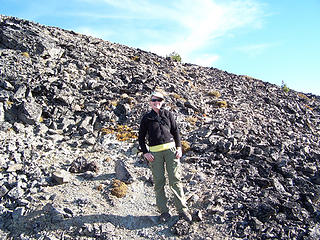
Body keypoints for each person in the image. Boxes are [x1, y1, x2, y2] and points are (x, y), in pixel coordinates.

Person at [138, 90, 192, 223]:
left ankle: (182, 210)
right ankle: (164, 211)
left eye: (159, 100)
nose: (157, 103)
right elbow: (141, 137)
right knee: (159, 182)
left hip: (171, 151)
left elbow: (175, 131)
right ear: (150, 102)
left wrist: (179, 148)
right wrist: (145, 152)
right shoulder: (146, 117)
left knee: (175, 180)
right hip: (155, 154)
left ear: (162, 102)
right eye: (154, 100)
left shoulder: (168, 114)